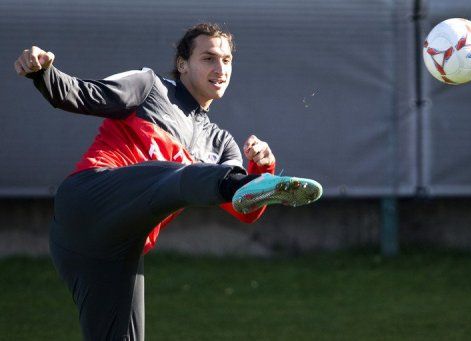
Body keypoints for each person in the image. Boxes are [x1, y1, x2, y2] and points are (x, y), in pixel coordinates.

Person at [14, 23, 322, 340]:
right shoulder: (148, 86)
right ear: (182, 64)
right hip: (87, 201)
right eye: (208, 58)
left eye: (227, 60)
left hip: (116, 250)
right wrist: (43, 72)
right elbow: (79, 94)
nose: (220, 68)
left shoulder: (222, 144)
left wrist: (262, 167)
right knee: (173, 173)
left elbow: (244, 209)